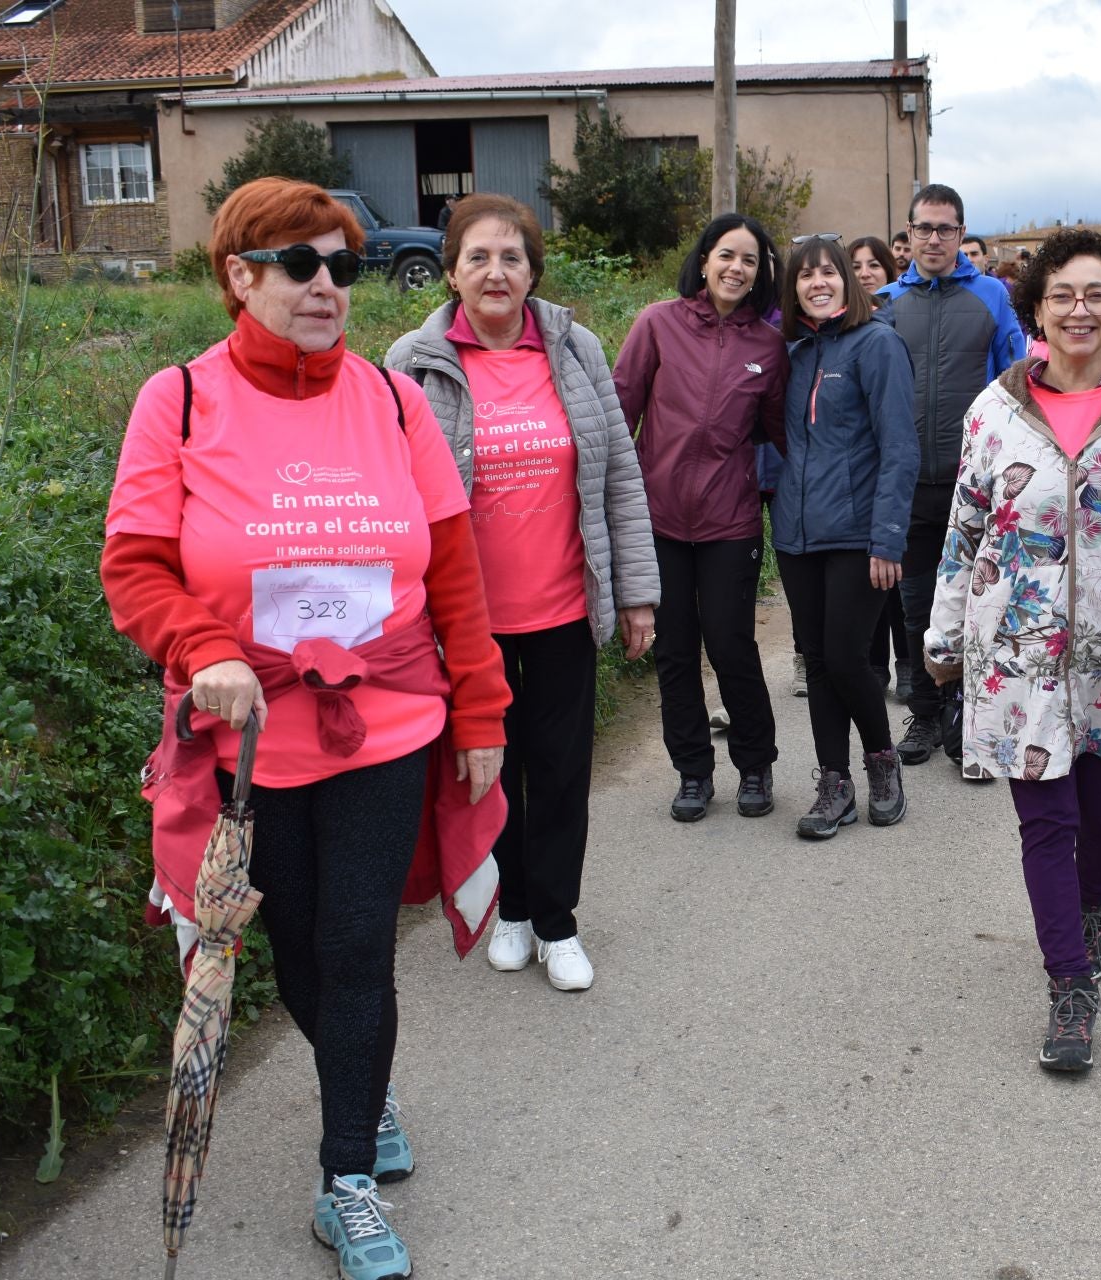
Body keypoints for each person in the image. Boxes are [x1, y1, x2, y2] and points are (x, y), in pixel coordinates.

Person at [103, 178, 511, 1279]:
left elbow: (456, 574)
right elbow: (134, 566)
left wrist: (481, 708)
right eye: (300, 263)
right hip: (250, 742)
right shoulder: (180, 400)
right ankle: (362, 1088)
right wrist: (204, 646)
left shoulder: (394, 401)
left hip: (387, 722)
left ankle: (348, 1179)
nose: (328, 284)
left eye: (343, 264)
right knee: (292, 951)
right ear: (239, 276)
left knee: (355, 944)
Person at [926, 227, 1101, 1072]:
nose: (1078, 310)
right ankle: (1070, 985)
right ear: (1037, 309)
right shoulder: (994, 410)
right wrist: (944, 633)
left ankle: (1092, 915)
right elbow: (965, 530)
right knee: (1045, 820)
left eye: (1095, 295)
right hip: (1019, 650)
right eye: (1062, 296)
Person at [384, 193, 659, 995]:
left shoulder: (576, 349)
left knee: (562, 768)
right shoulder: (412, 360)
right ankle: (509, 908)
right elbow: (392, 494)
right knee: (489, 772)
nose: (496, 272)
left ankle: (558, 921)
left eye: (511, 257)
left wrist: (637, 593)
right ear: (451, 273)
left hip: (564, 605)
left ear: (534, 271)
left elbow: (619, 475)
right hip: (465, 620)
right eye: (478, 257)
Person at [611, 213, 789, 821]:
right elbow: (620, 410)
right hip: (657, 519)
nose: (737, 268)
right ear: (706, 260)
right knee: (675, 650)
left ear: (761, 274)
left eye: (750, 260)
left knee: (731, 644)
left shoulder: (767, 346)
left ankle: (756, 764)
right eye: (727, 255)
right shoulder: (657, 324)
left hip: (730, 521)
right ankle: (692, 771)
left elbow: (780, 433)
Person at [876, 182, 1027, 780]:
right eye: (924, 228)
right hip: (910, 483)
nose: (934, 238)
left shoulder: (992, 296)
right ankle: (925, 713)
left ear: (961, 234)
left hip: (977, 486)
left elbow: (1018, 380)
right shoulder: (887, 303)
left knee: (979, 606)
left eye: (945, 229)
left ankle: (971, 717)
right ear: (909, 233)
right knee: (916, 607)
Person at [772, 234, 920, 837]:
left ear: (847, 281)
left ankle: (882, 762)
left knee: (845, 657)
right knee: (817, 660)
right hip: (797, 533)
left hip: (858, 534)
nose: (817, 282)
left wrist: (888, 538)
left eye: (828, 272)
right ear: (793, 288)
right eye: (805, 275)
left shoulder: (877, 344)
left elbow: (899, 447)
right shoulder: (793, 351)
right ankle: (834, 782)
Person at [846, 234, 913, 700]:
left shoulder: (898, 321)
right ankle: (874, 665)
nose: (865, 272)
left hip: (896, 461)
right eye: (855, 265)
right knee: (868, 579)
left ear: (890, 271)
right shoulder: (837, 325)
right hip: (857, 470)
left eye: (874, 264)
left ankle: (907, 662)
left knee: (897, 579)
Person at [849, 234, 898, 300]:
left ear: (888, 271)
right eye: (856, 267)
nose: (865, 274)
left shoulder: (907, 304)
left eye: (874, 265)